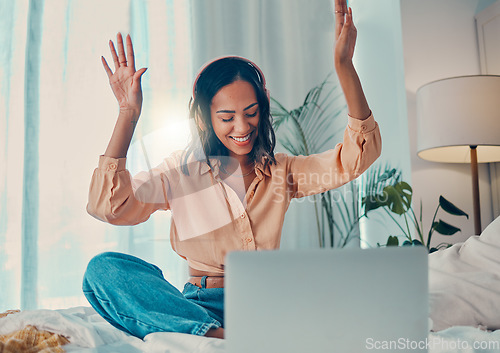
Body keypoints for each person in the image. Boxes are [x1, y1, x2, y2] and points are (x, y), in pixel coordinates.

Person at [82, 0, 381, 340]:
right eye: (226, 117)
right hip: (202, 304)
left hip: (267, 300)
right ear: (203, 118)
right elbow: (110, 207)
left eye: (251, 112)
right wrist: (127, 115)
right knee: (103, 270)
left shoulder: (283, 172)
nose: (242, 126)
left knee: (348, 297)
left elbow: (357, 156)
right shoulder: (180, 174)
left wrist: (345, 66)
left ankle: (219, 335)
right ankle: (214, 335)